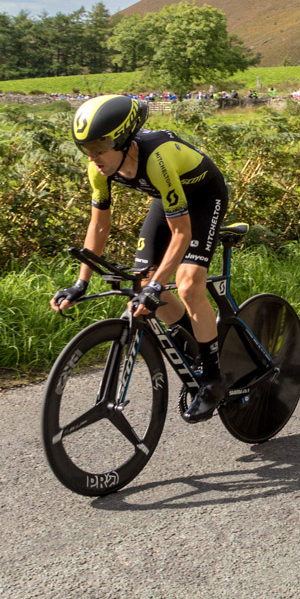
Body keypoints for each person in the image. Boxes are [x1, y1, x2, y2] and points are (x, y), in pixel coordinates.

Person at [50, 94, 231, 422]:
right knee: (144, 285)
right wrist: (80, 282)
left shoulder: (157, 158)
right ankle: (196, 342)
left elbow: (182, 234)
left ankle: (214, 380)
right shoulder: (100, 169)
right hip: (167, 199)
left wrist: (161, 282)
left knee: (188, 285)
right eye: (85, 150)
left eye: (98, 149)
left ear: (122, 140)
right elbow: (98, 225)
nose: (92, 159)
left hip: (204, 196)